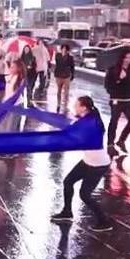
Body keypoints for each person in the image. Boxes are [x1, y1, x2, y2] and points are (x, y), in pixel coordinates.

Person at [51, 96, 112, 232]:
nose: (74, 107)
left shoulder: (90, 123)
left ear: (84, 107)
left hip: (98, 164)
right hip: (88, 160)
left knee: (84, 194)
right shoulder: (88, 119)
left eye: (76, 105)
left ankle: (104, 221)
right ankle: (67, 212)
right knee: (68, 181)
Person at [104, 49, 130, 153]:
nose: (128, 60)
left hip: (128, 100)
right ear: (122, 58)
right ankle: (110, 144)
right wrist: (119, 79)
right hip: (116, 100)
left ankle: (122, 140)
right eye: (126, 57)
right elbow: (107, 86)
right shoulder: (113, 70)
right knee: (114, 121)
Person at [54, 45, 76, 112]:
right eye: (63, 48)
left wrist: (72, 75)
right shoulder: (58, 55)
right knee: (59, 91)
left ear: (67, 50)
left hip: (67, 75)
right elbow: (57, 63)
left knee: (66, 92)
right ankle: (58, 104)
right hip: (58, 75)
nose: (64, 50)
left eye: (65, 49)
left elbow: (72, 66)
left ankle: (65, 105)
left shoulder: (70, 57)